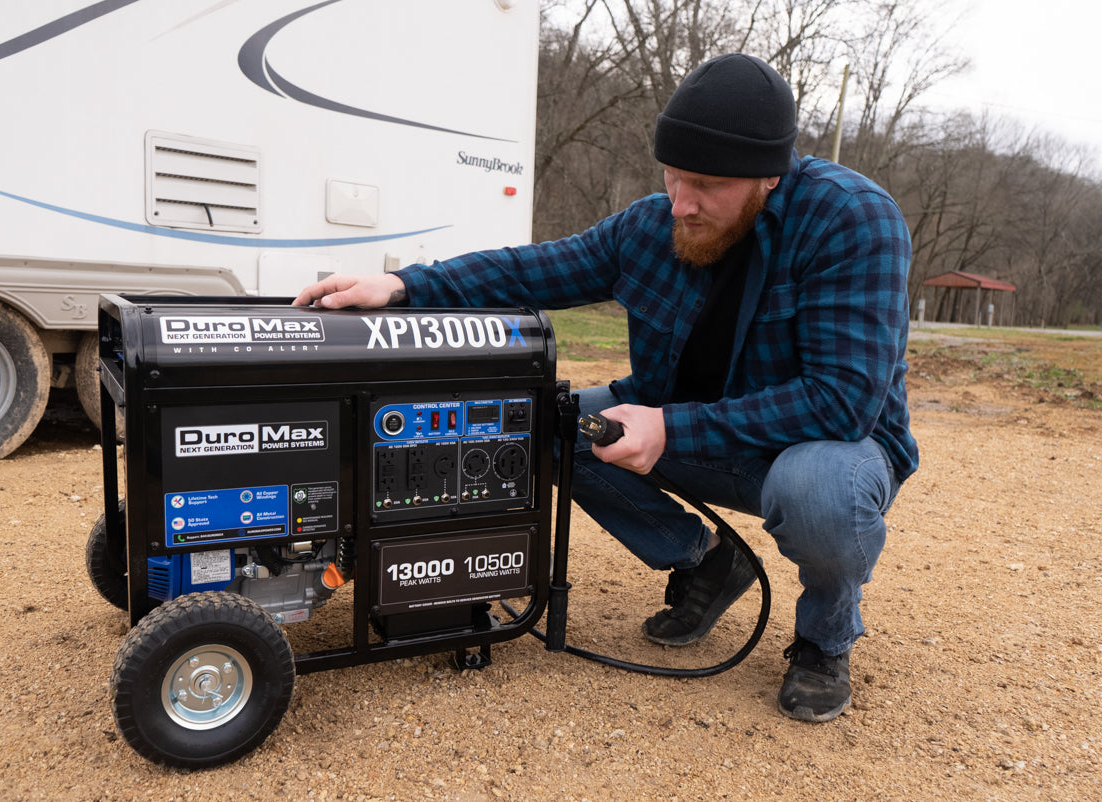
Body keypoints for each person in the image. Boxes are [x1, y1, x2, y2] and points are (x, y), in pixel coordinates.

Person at [294, 53, 918, 723]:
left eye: (707, 185)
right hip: (693, 429)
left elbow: (841, 402)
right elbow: (529, 270)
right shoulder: (652, 227)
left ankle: (824, 639)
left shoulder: (851, 220)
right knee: (542, 423)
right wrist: (403, 286)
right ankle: (707, 561)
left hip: (823, 448)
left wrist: (669, 428)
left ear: (771, 175)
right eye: (673, 176)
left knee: (817, 490)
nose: (682, 203)